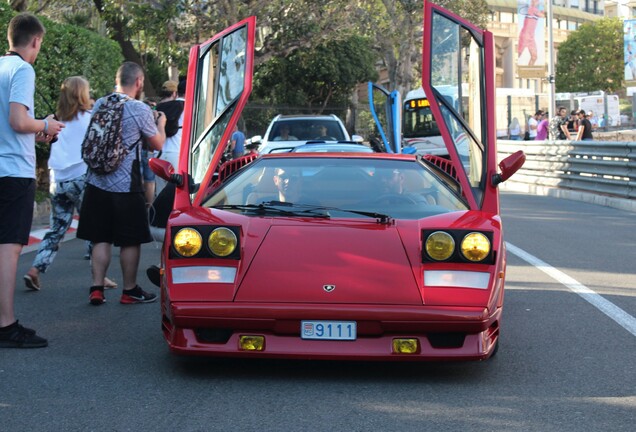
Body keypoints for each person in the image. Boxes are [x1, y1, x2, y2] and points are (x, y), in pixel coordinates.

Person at [76, 61, 166, 306]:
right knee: (130, 240)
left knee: (100, 237)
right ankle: (129, 290)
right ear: (138, 82)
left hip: (96, 182)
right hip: (126, 185)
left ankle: (97, 288)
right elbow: (157, 144)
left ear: (117, 80)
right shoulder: (139, 109)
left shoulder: (101, 104)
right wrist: (161, 123)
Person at [0, 13, 64, 348]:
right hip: (13, 173)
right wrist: (45, 126)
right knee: (8, 250)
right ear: (35, 41)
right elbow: (17, 120)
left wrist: (34, 130)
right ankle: (6, 325)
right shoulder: (22, 69)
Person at [23, 76, 116, 292]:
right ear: (82, 94)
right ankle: (99, 277)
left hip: (58, 180)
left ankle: (35, 269)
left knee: (56, 229)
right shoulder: (90, 118)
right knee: (95, 227)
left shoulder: (55, 120)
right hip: (82, 177)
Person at [156, 79, 185, 194]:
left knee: (159, 194)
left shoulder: (157, 108)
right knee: (175, 194)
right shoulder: (188, 107)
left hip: (158, 154)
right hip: (176, 154)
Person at [517, 0, 545, 66]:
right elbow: (542, 15)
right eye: (534, 1)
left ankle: (529, 70)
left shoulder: (534, 10)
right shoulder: (532, 9)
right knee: (519, 54)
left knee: (534, 57)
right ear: (532, 2)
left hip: (531, 37)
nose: (536, 2)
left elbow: (541, 14)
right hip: (525, 35)